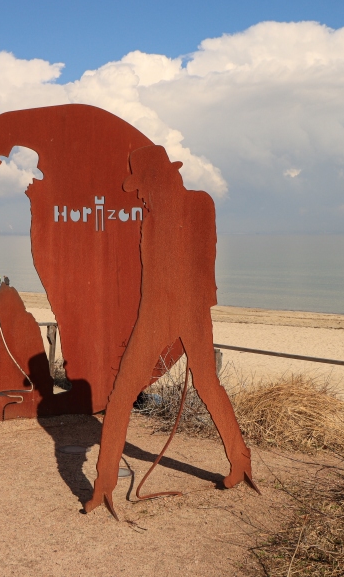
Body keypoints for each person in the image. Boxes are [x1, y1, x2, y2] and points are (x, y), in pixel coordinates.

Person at [84, 145, 257, 518]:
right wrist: (152, 323)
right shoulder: (150, 219)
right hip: (156, 314)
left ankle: (240, 461)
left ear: (162, 178)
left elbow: (203, 262)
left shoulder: (200, 203)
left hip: (189, 311)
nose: (140, 194)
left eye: (143, 185)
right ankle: (104, 485)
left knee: (206, 384)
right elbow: (152, 278)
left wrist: (192, 315)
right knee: (122, 394)